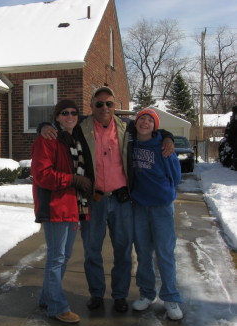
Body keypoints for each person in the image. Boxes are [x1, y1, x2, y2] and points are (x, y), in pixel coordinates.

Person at [39, 86, 175, 313]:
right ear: (91, 106)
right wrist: (42, 126)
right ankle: (96, 294)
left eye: (109, 104)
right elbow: (58, 123)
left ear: (115, 107)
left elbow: (151, 129)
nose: (104, 107)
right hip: (94, 199)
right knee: (92, 251)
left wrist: (168, 137)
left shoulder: (128, 127)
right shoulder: (81, 126)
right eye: (99, 103)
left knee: (122, 251)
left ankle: (120, 295)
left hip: (121, 200)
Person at [31, 99, 93, 323]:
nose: (70, 116)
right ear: (56, 117)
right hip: (55, 206)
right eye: (64, 113)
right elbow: (42, 175)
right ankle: (57, 306)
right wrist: (73, 179)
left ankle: (47, 298)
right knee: (56, 259)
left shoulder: (75, 138)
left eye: (74, 112)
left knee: (63, 257)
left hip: (73, 206)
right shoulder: (47, 140)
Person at [130, 108, 183, 320]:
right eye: (141, 118)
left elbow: (175, 176)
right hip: (139, 206)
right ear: (136, 123)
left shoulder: (164, 146)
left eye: (149, 120)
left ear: (155, 126)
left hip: (161, 207)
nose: (144, 122)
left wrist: (164, 193)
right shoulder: (130, 144)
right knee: (143, 254)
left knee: (164, 254)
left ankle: (170, 298)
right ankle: (147, 293)